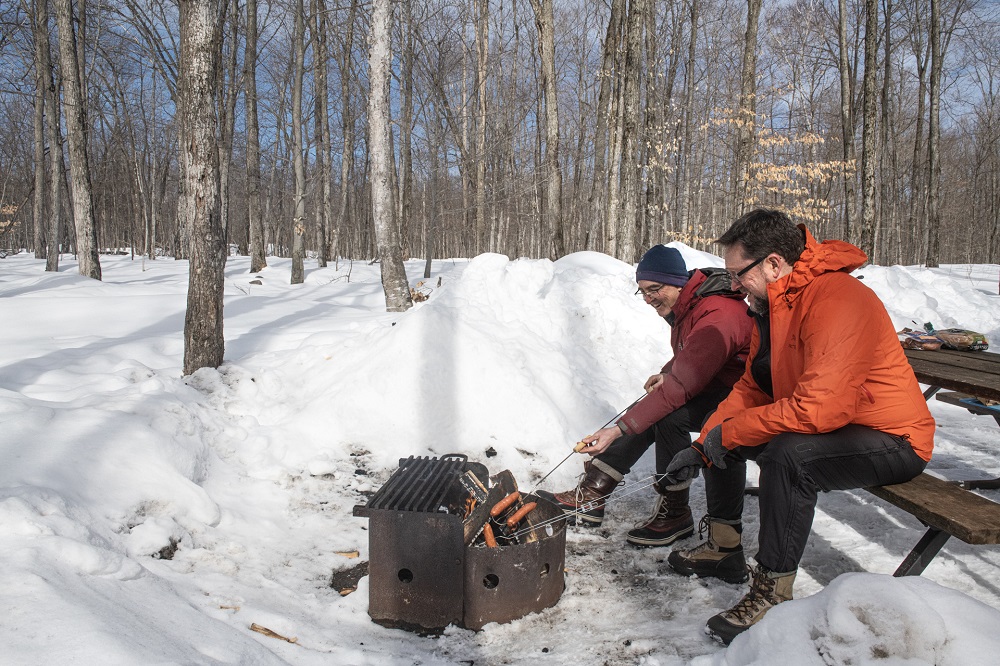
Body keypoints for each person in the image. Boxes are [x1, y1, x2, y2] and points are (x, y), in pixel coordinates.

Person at [663, 208, 935, 645]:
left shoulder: (838, 298)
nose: (733, 285)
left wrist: (727, 433)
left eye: (738, 274)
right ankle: (723, 547)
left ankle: (772, 590)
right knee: (726, 439)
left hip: (893, 438)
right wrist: (706, 444)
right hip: (834, 424)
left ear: (773, 263)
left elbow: (819, 410)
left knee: (790, 456)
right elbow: (753, 386)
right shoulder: (771, 306)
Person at [538, 245, 753, 547]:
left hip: (748, 399)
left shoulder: (717, 313)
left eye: (655, 289)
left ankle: (671, 511)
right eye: (644, 291)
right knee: (660, 407)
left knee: (667, 412)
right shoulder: (693, 303)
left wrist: (617, 429)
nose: (650, 298)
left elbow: (684, 382)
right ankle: (596, 492)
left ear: (678, 281)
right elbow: (694, 355)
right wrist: (669, 371)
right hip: (722, 389)